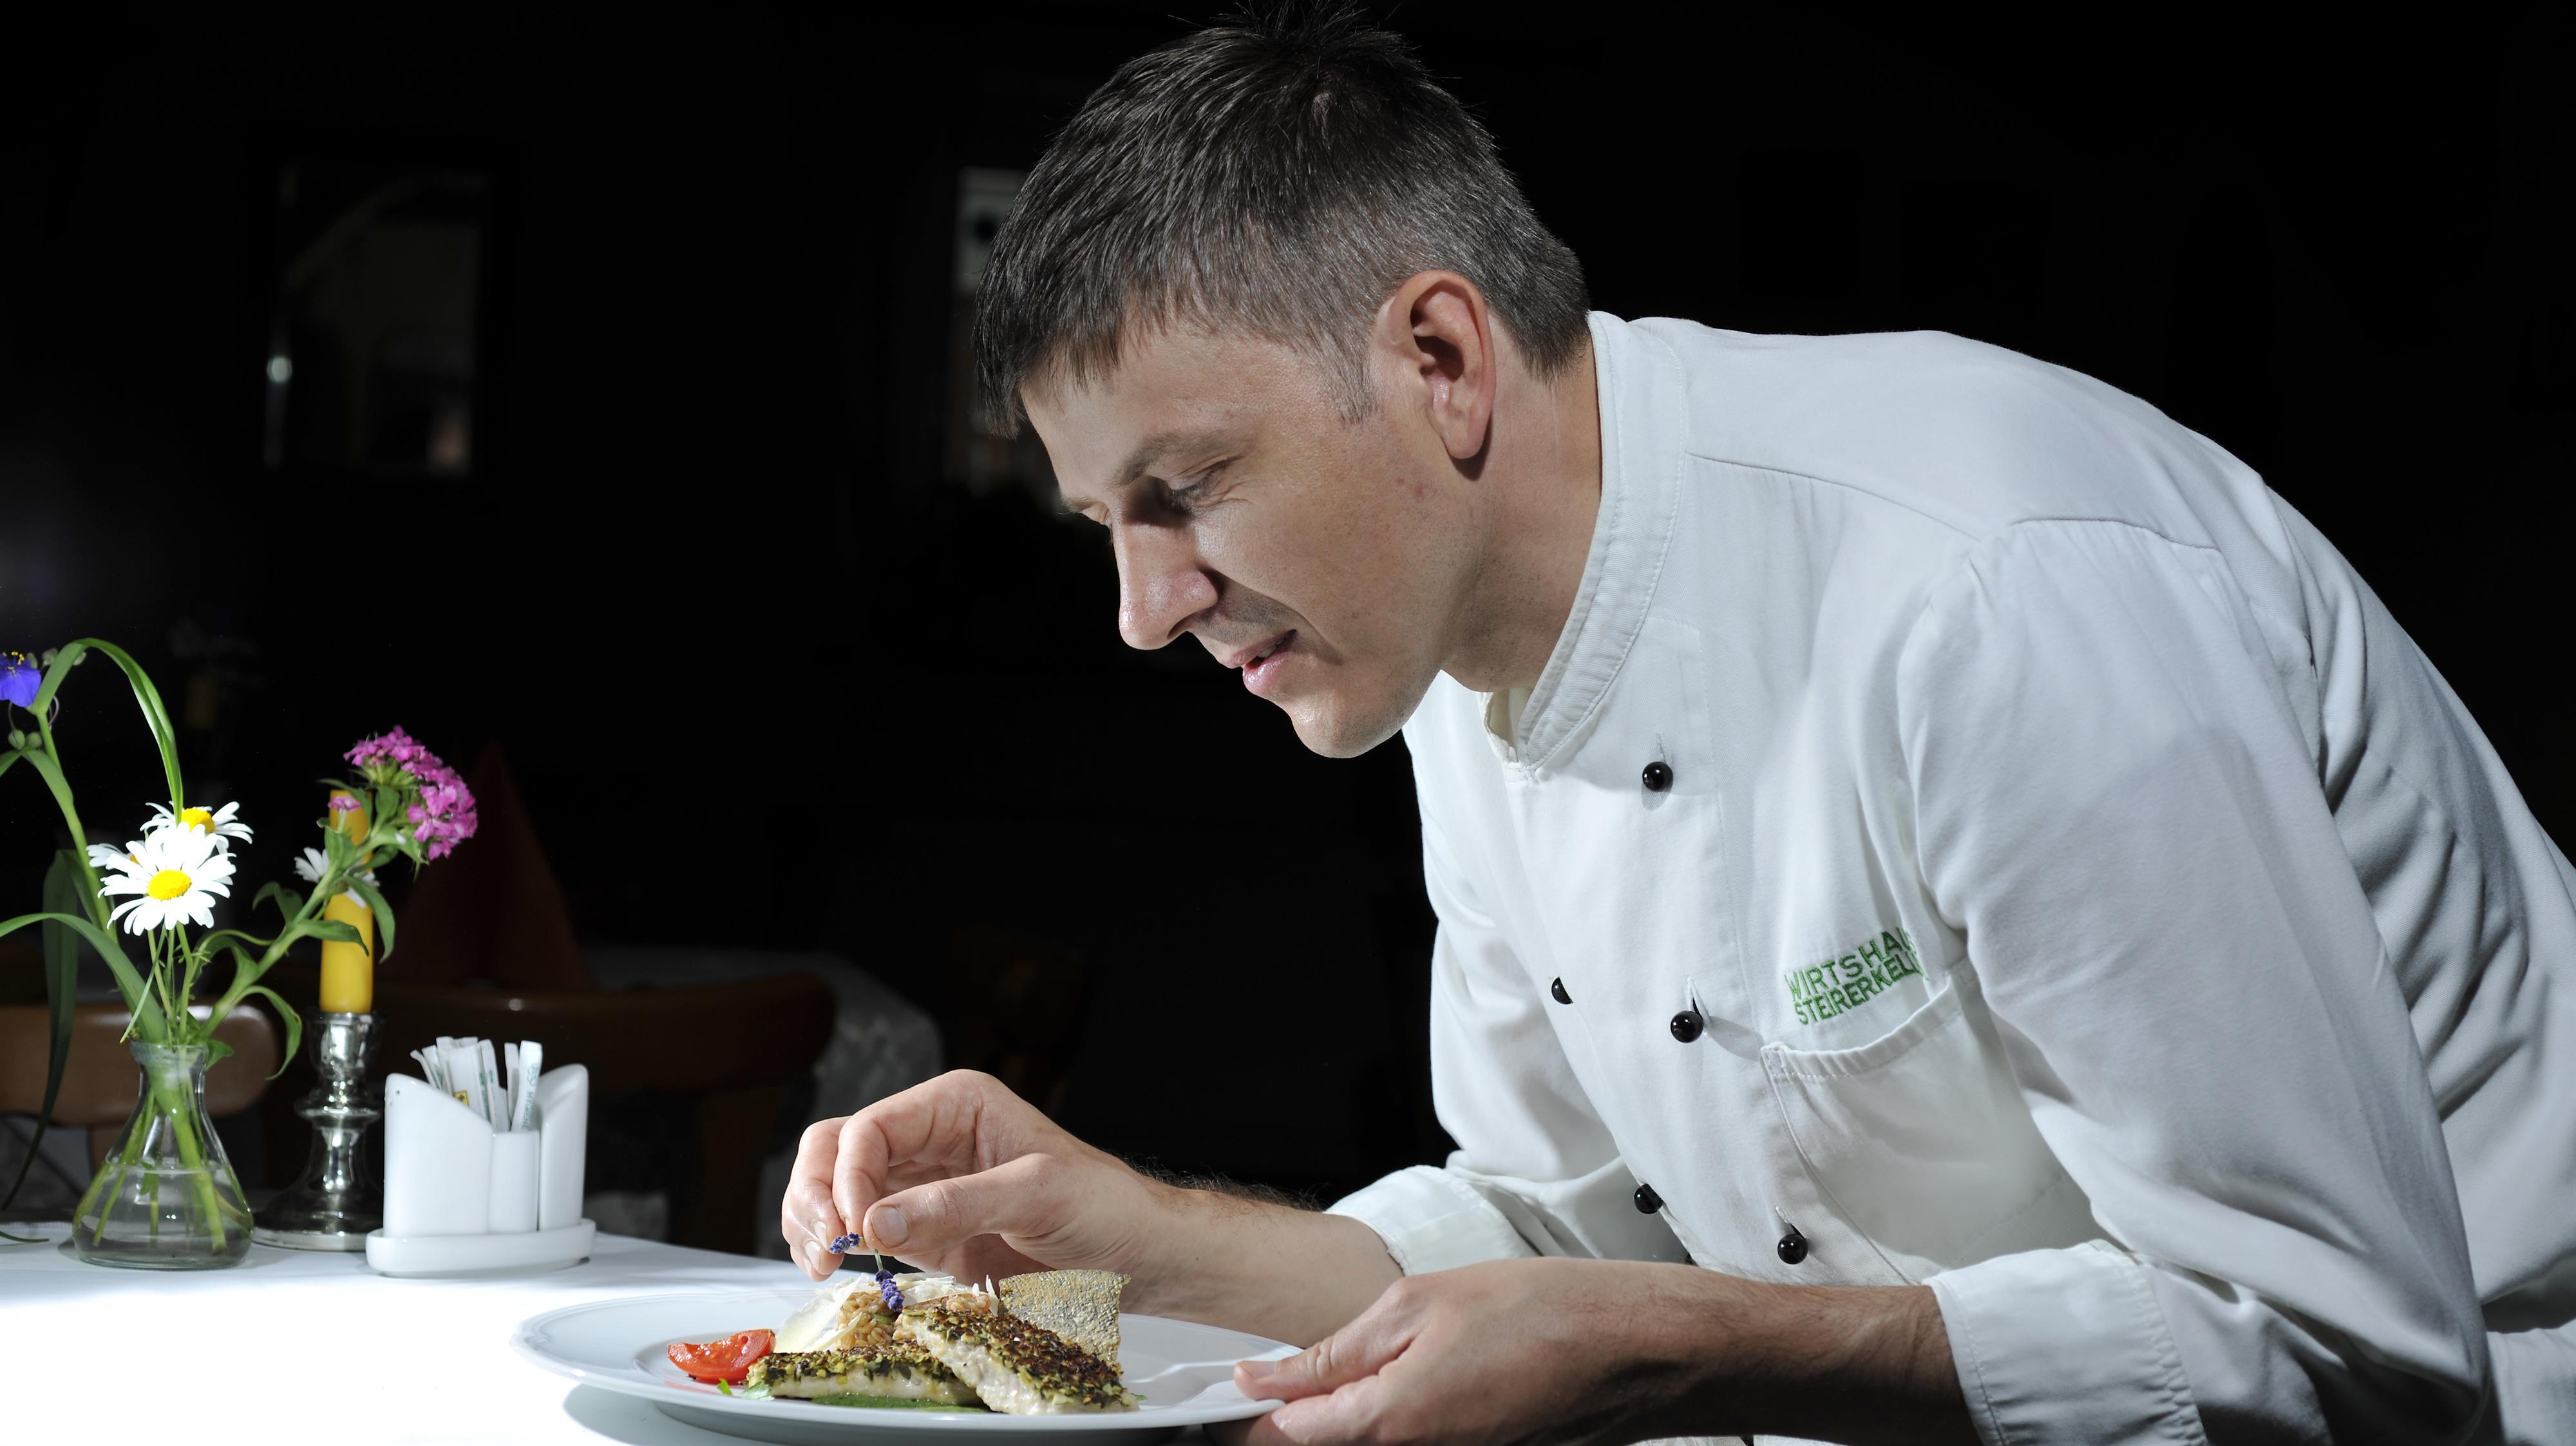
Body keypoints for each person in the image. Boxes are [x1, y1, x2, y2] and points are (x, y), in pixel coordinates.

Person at [782, 9, 2576, 1444]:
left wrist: (1678, 1349)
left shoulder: (1989, 589)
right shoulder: (1441, 644)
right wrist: (1128, 1235)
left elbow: (2356, 1355)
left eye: (1185, 489)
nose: (1143, 611)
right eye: (1107, 524)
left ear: (1438, 362)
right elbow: (1564, 1230)